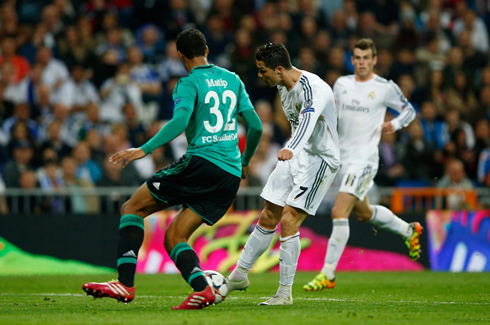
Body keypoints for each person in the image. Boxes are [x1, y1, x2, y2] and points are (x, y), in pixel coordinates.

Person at [82, 29, 262, 310]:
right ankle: (203, 290)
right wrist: (245, 160)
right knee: (174, 236)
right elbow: (256, 126)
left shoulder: (188, 83)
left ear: (180, 55)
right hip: (228, 176)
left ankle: (125, 283)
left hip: (201, 163)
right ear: (207, 50)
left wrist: (145, 149)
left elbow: (179, 122)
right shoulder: (233, 79)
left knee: (132, 208)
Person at [303, 38, 422, 292]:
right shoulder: (342, 84)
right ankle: (409, 230)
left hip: (365, 160)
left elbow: (409, 111)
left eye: (366, 58)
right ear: (352, 59)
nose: (362, 62)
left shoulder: (384, 87)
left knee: (339, 211)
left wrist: (396, 124)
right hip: (343, 160)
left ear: (374, 60)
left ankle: (328, 273)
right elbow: (331, 114)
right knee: (363, 213)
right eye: (357, 57)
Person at [227, 42, 340, 305]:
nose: (259, 75)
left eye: (262, 70)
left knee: (289, 220)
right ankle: (239, 275)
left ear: (279, 69)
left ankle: (284, 294)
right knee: (268, 214)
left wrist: (291, 148)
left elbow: (308, 123)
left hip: (320, 158)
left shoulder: (316, 89)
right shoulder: (281, 86)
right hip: (296, 155)